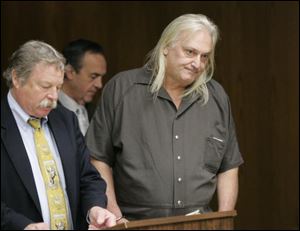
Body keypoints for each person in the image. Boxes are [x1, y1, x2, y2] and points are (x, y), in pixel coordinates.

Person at [85, 14, 244, 221]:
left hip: (199, 223)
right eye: (190, 52)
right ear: (166, 47)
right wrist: (115, 215)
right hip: (134, 223)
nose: (197, 63)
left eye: (204, 56)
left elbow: (229, 164)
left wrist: (222, 219)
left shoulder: (216, 97)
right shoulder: (122, 89)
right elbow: (98, 157)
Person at [1, 40, 116, 230]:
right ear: (17, 78)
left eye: (58, 87)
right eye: (46, 86)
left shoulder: (66, 119)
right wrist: (23, 226)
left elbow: (88, 177)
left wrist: (94, 208)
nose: (54, 97)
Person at [58, 39, 107, 135]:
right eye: (93, 77)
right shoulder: (47, 112)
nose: (99, 85)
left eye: (101, 77)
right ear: (70, 72)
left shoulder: (98, 114)